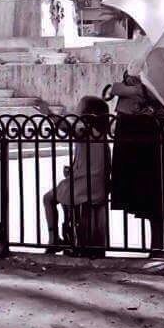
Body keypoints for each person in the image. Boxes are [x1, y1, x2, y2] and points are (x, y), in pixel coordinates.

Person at [109, 47, 164, 257]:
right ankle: (160, 248)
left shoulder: (159, 52)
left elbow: (150, 91)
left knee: (156, 193)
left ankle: (158, 249)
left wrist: (121, 88)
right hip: (162, 127)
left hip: (150, 129)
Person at [43, 96, 111, 254]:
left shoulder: (85, 131)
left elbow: (66, 127)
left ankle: (53, 238)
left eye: (80, 106)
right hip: (98, 186)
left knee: (48, 198)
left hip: (83, 186)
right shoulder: (101, 135)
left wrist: (49, 114)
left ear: (88, 113)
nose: (77, 108)